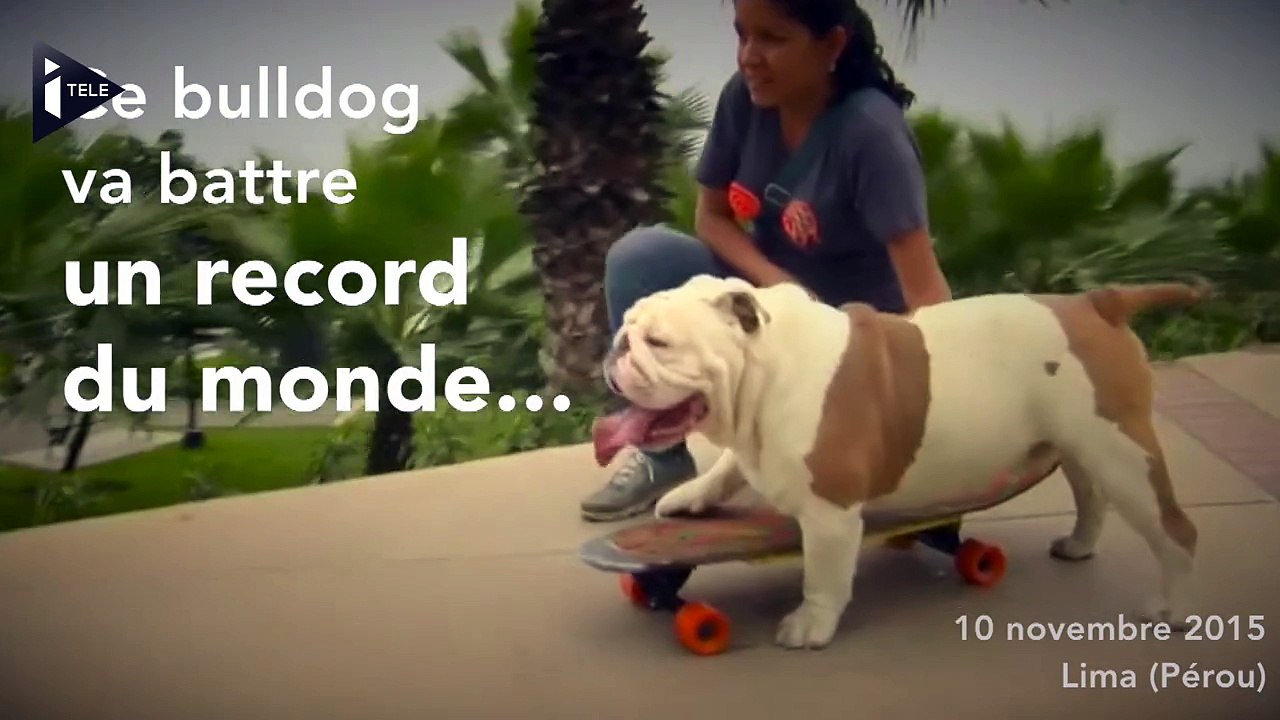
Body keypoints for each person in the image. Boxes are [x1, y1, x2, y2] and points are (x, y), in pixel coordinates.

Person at [578, 0, 953, 521]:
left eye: (773, 38)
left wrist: (932, 430)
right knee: (642, 256)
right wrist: (781, 288)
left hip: (855, 336)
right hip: (767, 300)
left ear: (833, 46)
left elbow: (928, 298)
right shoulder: (746, 99)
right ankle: (658, 456)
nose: (749, 57)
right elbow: (711, 218)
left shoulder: (872, 133)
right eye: (742, 35)